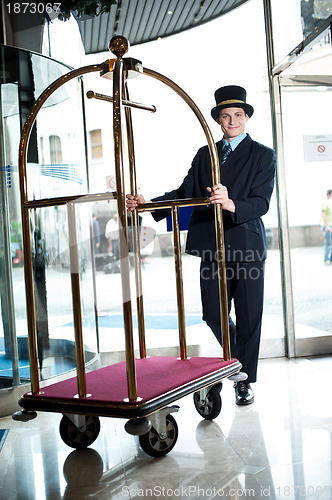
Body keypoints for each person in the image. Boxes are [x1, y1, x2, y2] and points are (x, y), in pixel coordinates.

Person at [126, 85, 276, 405]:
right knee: (212, 314)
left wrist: (231, 202)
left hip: (247, 247)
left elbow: (262, 201)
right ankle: (238, 364)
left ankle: (244, 380)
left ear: (246, 118)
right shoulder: (205, 154)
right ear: (219, 121)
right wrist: (149, 203)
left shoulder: (263, 155)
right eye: (226, 116)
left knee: (249, 319)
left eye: (238, 115)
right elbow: (185, 193)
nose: (232, 121)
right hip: (213, 247)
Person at [321, 189, 332, 265]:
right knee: (328, 243)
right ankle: (326, 258)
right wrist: (327, 226)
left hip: (331, 225)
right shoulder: (325, 203)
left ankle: (330, 258)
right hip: (328, 226)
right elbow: (323, 215)